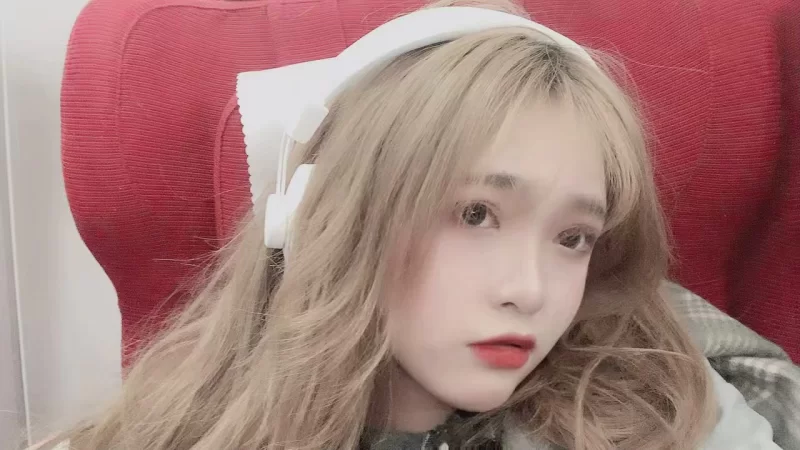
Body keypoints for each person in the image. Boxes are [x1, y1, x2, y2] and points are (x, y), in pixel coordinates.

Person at [36, 0, 782, 449]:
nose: (529, 291)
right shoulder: (173, 422)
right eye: (476, 214)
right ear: (323, 215)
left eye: (572, 238)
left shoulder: (658, 401)